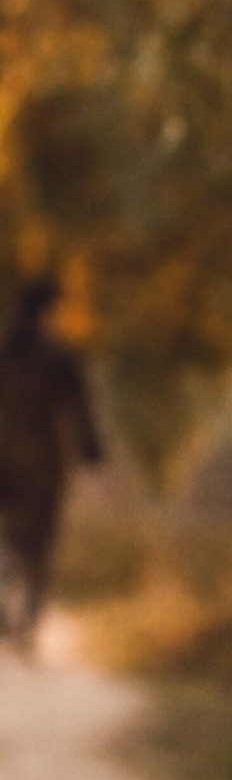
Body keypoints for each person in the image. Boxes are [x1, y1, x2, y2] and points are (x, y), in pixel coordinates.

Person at [0, 272, 104, 644]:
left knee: (6, 539)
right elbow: (80, 413)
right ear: (50, 310)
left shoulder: (5, 352)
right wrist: (91, 453)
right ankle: (25, 624)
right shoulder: (60, 359)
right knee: (39, 545)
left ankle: (5, 608)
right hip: (41, 462)